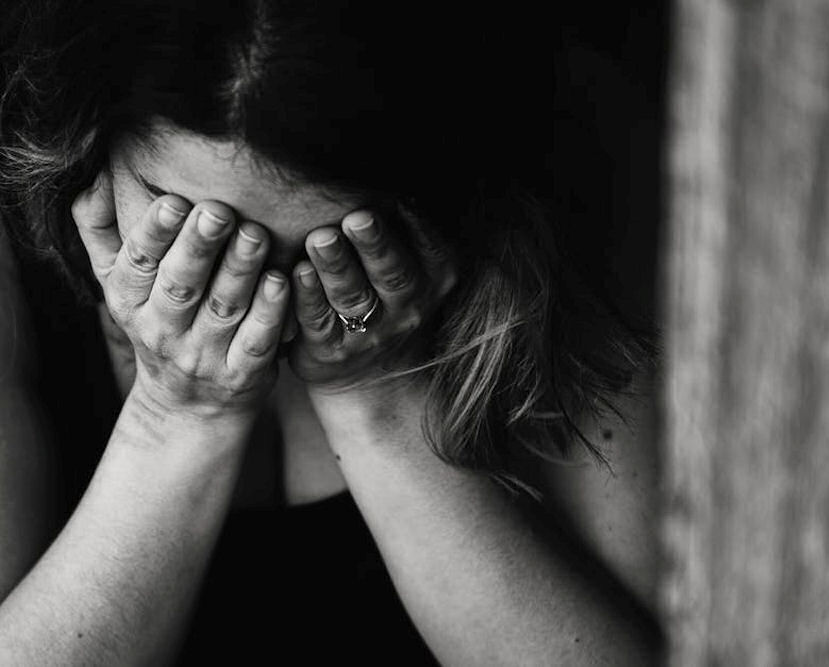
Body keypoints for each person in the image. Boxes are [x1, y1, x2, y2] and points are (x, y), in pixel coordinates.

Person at [0, 1, 661, 664]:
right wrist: (173, 414)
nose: (257, 296)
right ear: (89, 136)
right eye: (192, 228)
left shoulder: (583, 162)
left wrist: (377, 399)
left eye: (328, 249)